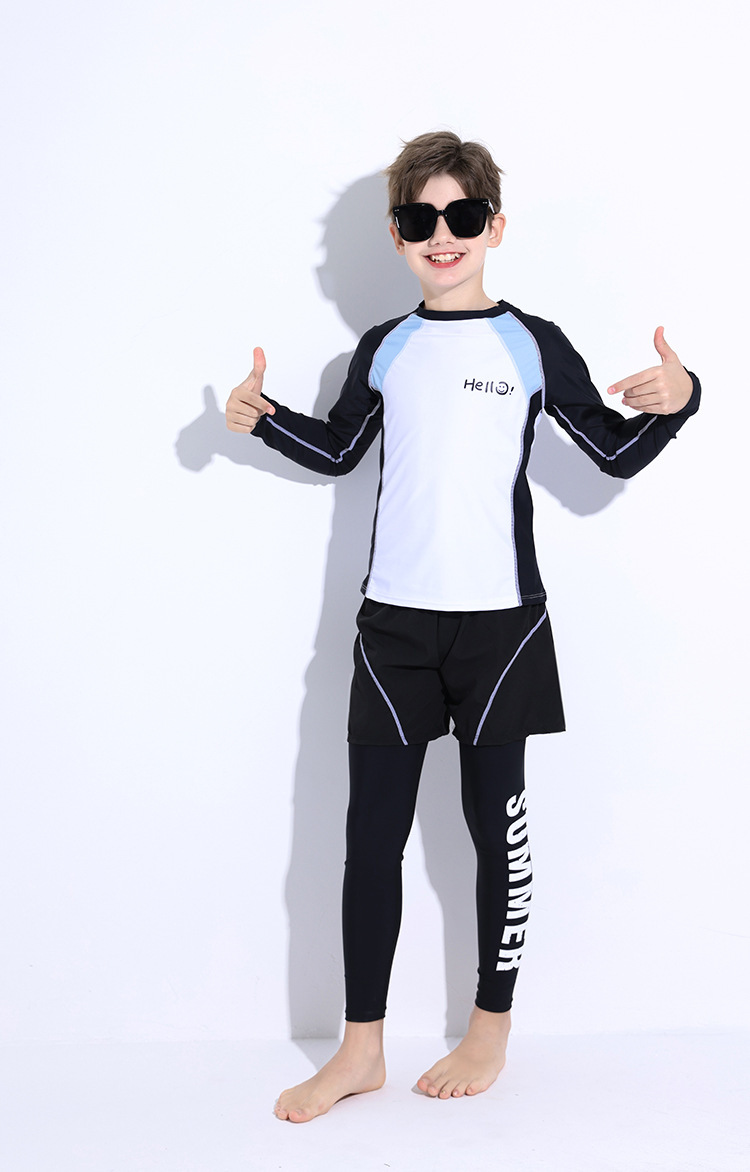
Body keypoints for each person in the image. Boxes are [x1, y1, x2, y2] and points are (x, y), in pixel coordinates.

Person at [225, 132, 700, 1123]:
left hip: (501, 633)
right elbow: (340, 449)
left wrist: (681, 400)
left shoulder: (532, 342)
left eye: (462, 215)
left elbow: (612, 455)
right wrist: (262, 416)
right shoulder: (385, 348)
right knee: (370, 842)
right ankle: (360, 1049)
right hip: (393, 631)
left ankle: (490, 1027)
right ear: (398, 235)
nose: (442, 234)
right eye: (419, 218)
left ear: (495, 226)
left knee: (496, 835)